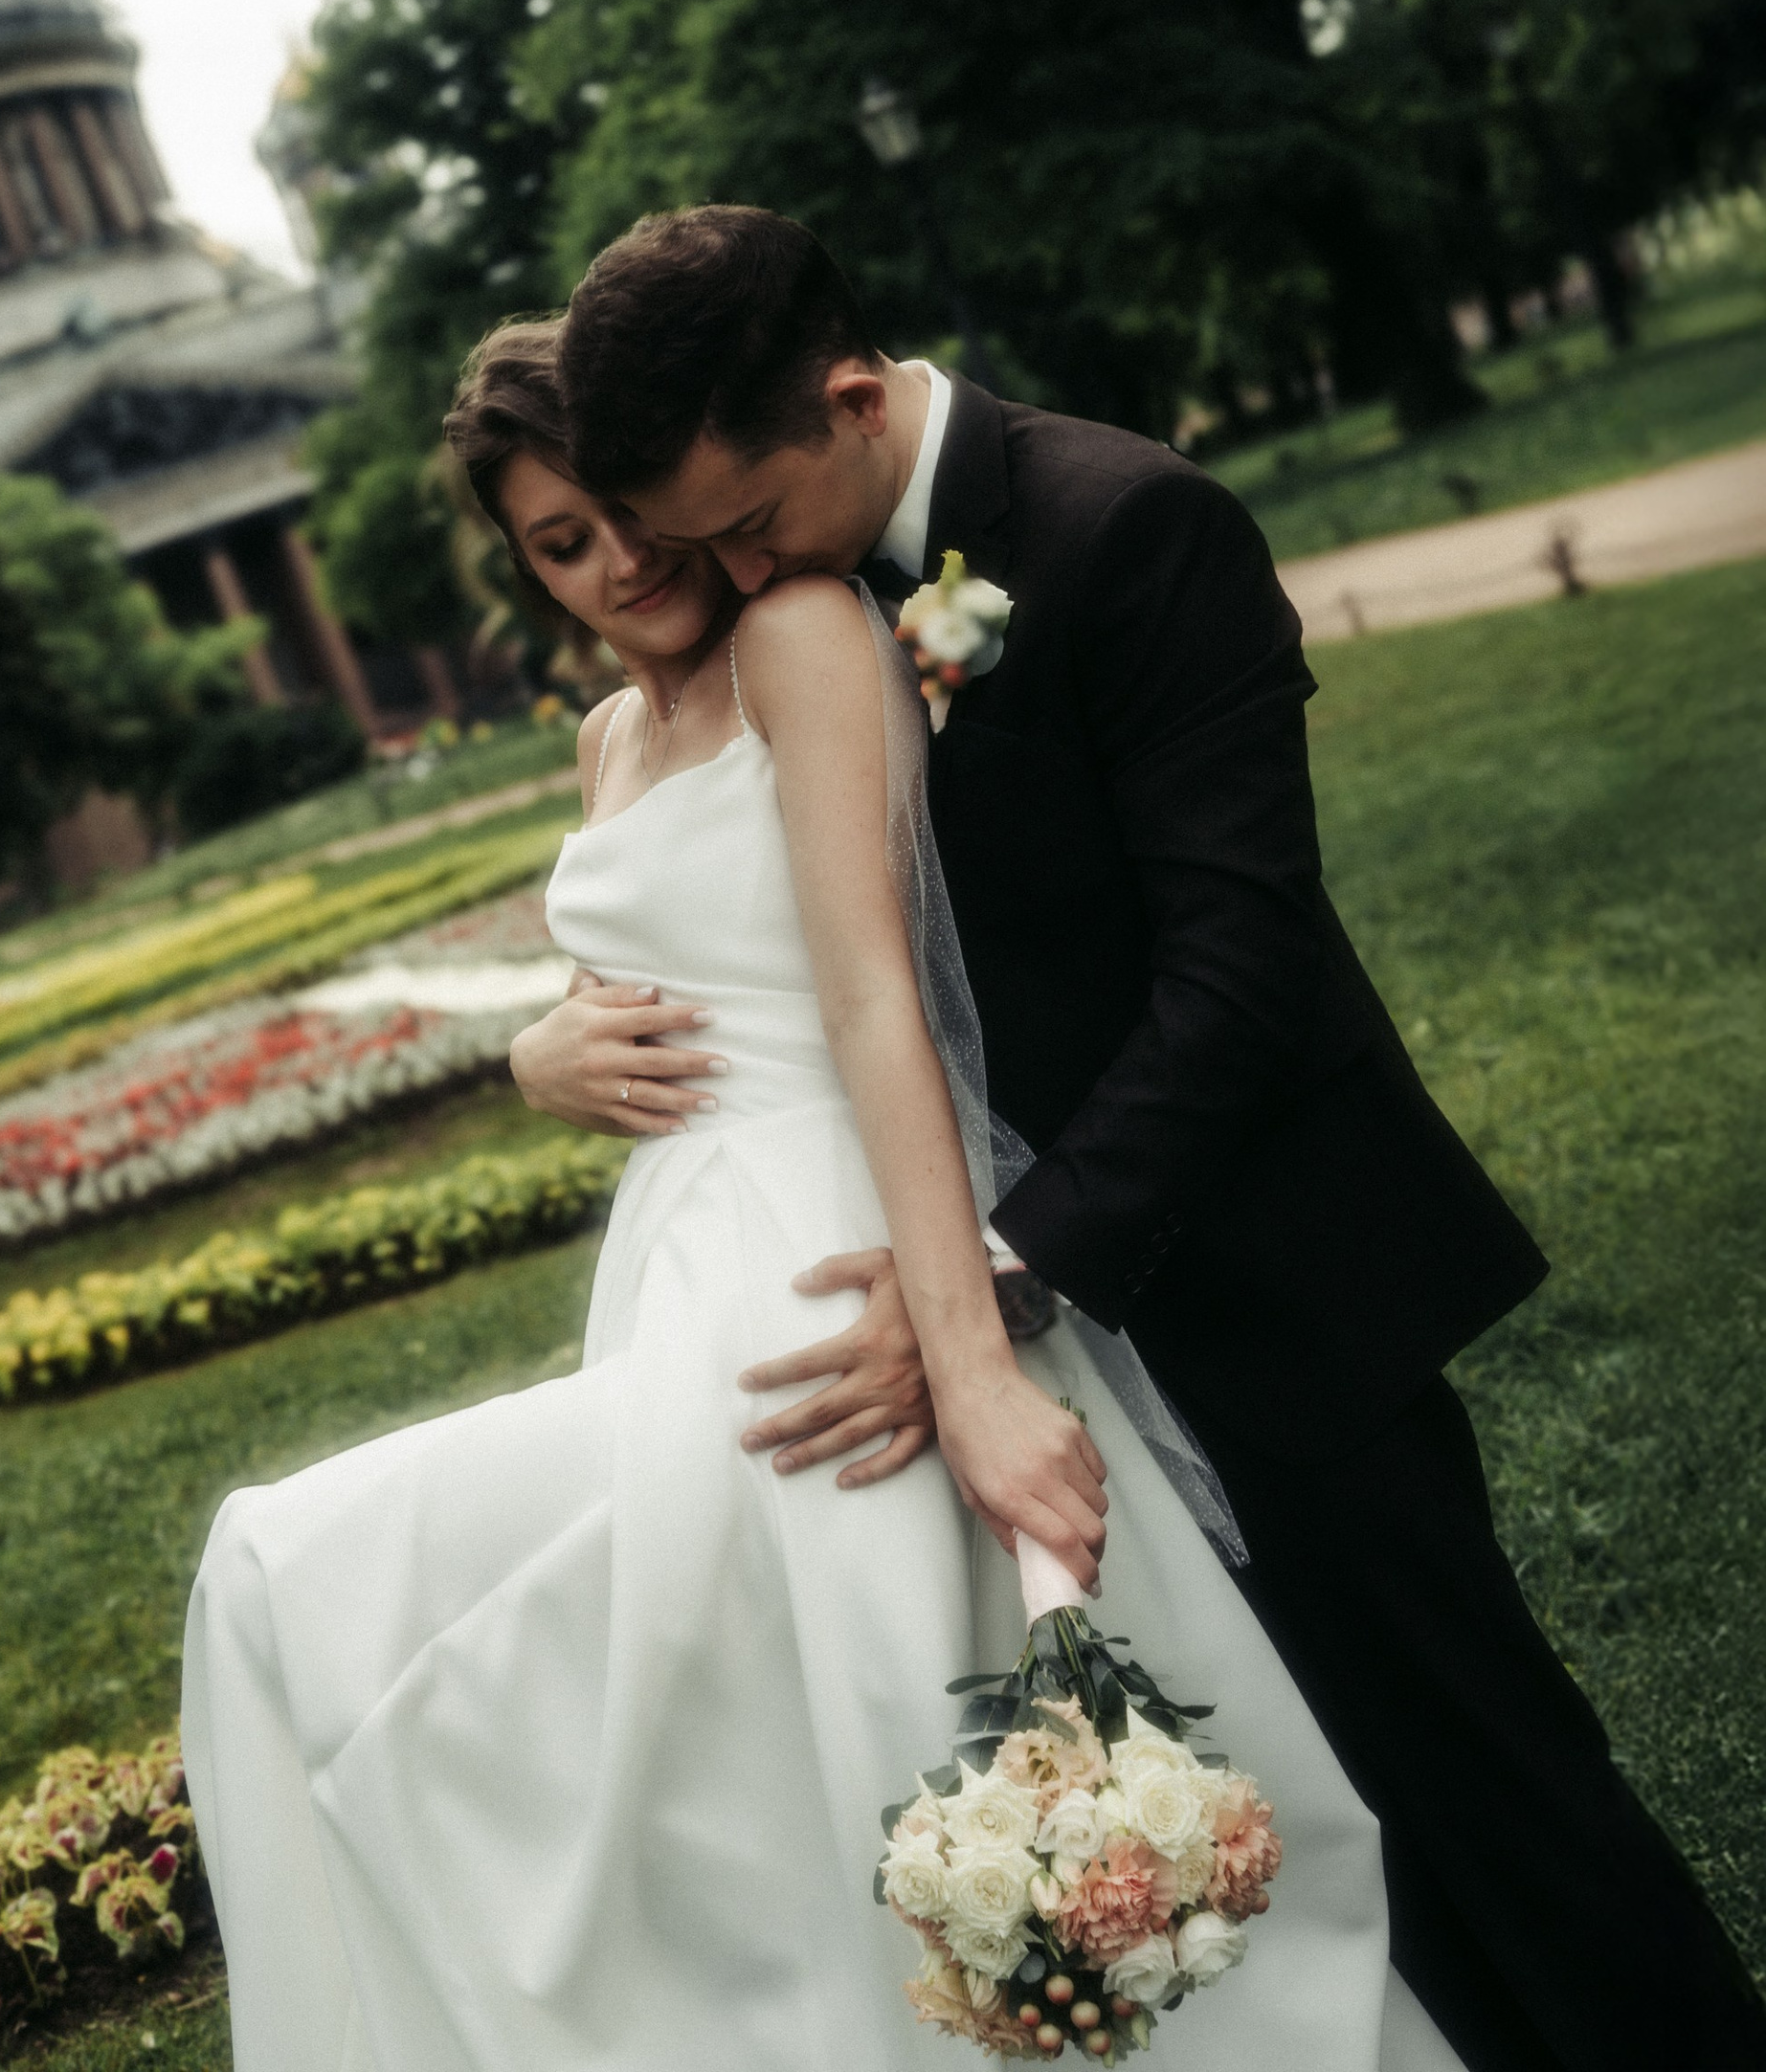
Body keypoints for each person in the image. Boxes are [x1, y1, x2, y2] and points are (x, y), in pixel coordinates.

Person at [517, 204, 1763, 2072]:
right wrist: (556, 1039)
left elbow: (1238, 977)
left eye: (745, 525)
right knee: (1309, 1856)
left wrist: (1009, 1275)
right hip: (1037, 1311)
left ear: (851, 403)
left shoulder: (1121, 524)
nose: (722, 571)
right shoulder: (818, 578)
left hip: (1258, 1280)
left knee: (1477, 1786)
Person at [184, 319, 1464, 2069]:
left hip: (829, 1245)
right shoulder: (608, 741)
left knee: (299, 1575)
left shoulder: (812, 631)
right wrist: (535, 1053)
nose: (621, 563)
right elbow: (681, 967)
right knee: (764, 1782)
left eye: (630, 511)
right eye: (562, 544)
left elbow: (878, 1000)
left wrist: (974, 1349)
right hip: (676, 1269)